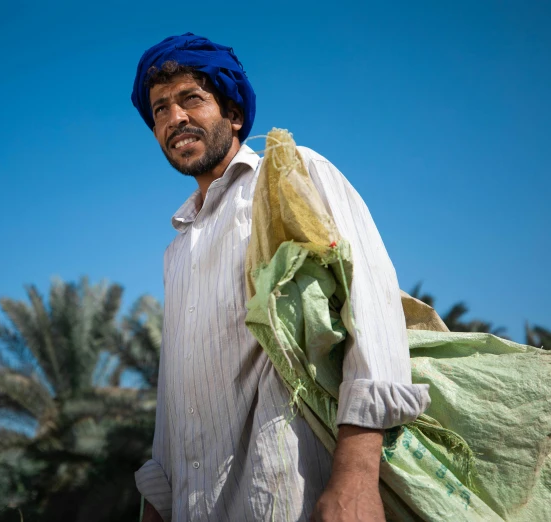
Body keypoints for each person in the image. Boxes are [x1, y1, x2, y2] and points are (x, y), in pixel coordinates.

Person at [130, 33, 430, 522]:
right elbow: (177, 392)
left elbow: (371, 306)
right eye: (160, 109)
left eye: (191, 100)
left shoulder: (290, 173)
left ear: (233, 115)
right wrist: (158, 503)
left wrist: (356, 477)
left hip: (287, 493)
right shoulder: (177, 249)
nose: (174, 118)